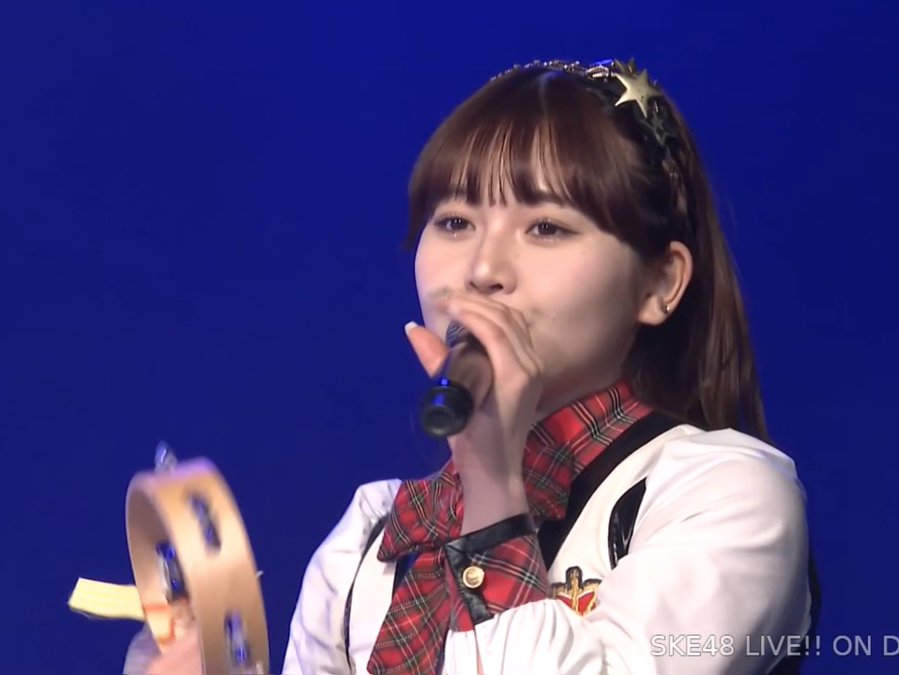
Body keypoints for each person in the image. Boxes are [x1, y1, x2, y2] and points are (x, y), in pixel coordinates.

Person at [127, 56, 815, 675]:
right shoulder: (371, 533)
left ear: (659, 283)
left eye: (546, 227)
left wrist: (492, 488)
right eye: (455, 222)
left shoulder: (724, 493)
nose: (483, 269)